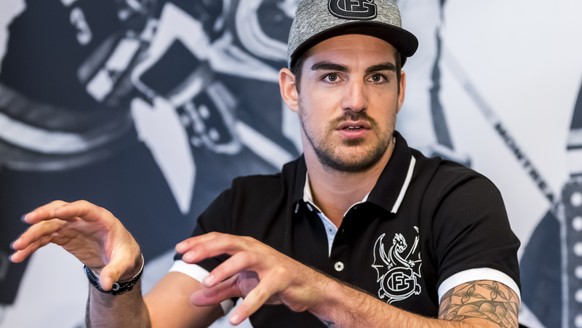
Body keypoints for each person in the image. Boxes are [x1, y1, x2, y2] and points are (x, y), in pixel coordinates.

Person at [9, 0, 521, 327]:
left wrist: (319, 291)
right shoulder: (243, 209)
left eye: (378, 77)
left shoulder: (460, 198)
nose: (356, 100)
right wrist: (114, 279)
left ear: (401, 89)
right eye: (331, 76)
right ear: (291, 90)